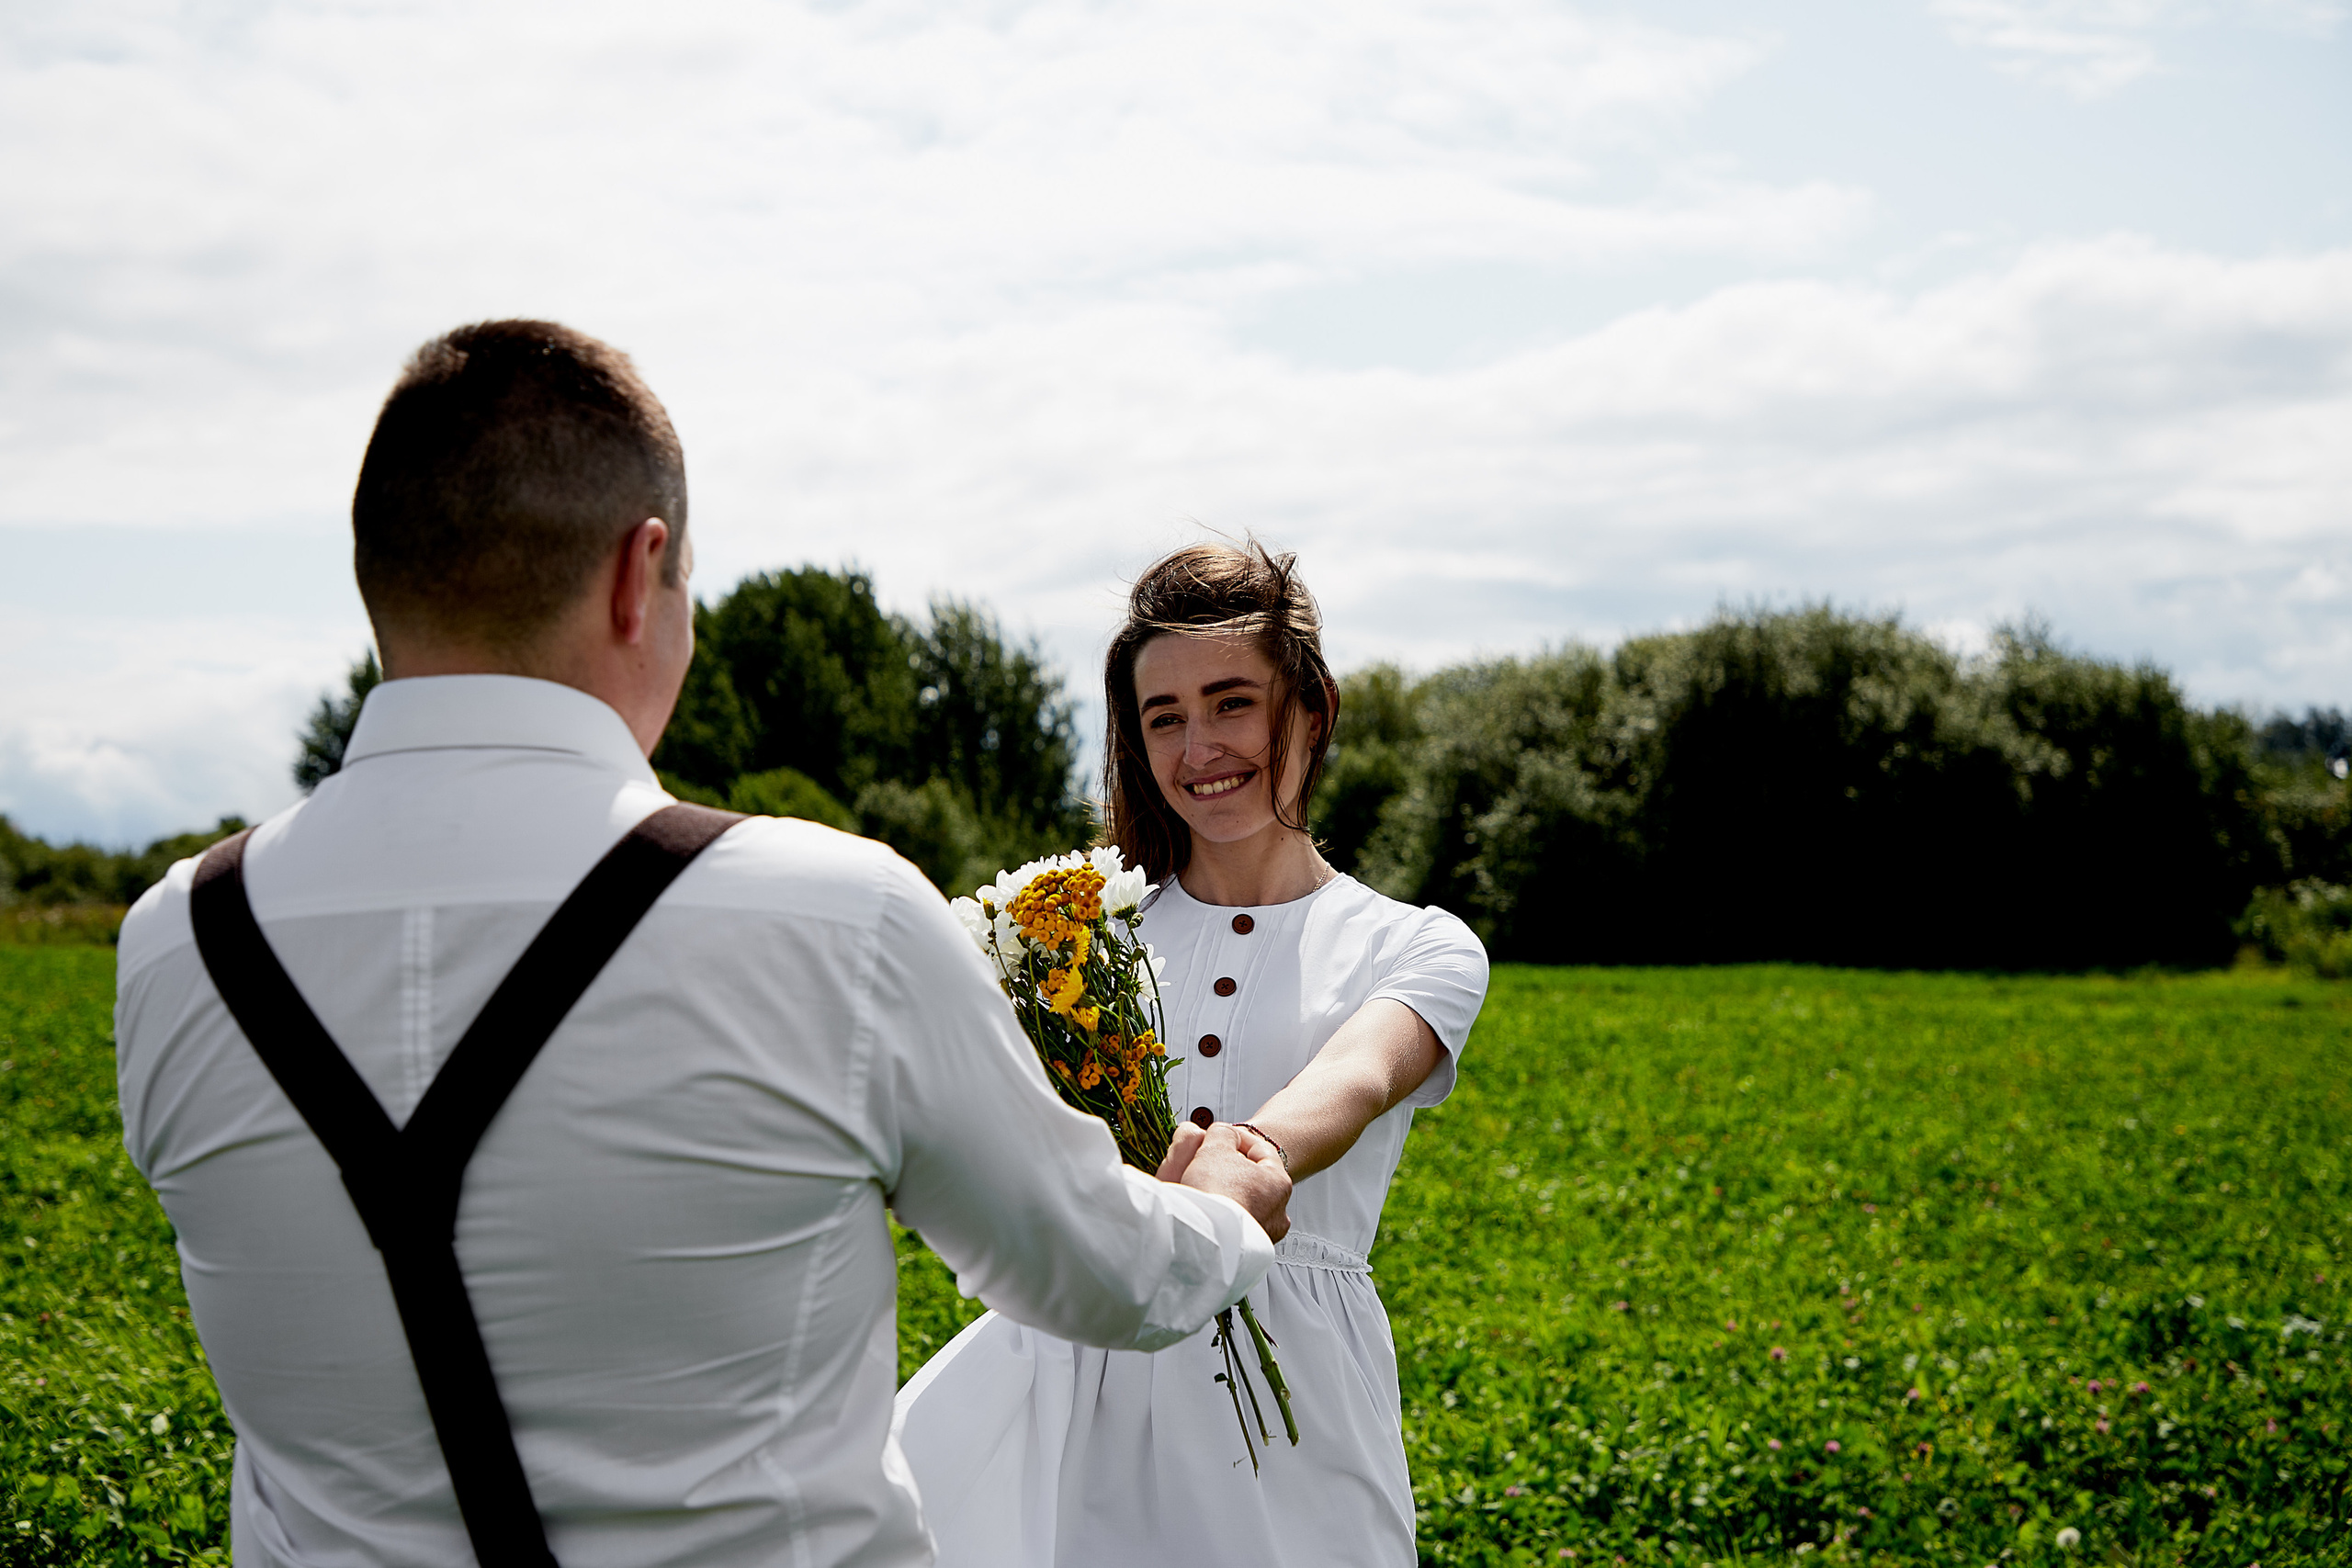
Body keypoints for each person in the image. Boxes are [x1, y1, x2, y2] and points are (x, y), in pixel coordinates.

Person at [112, 321, 1291, 1568]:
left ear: (379, 577)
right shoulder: (835, 916)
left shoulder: (175, 941)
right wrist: (1223, 1209)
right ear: (642, 571)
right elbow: (1097, 1271)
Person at [893, 542, 1491, 1566]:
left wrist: (1242, 1160)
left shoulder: (1417, 943)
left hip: (1296, 1399)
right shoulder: (1076, 943)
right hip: (1079, 1374)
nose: (1197, 744)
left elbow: (1356, 1076)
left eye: (1231, 703)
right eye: (1162, 716)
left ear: (1311, 711)